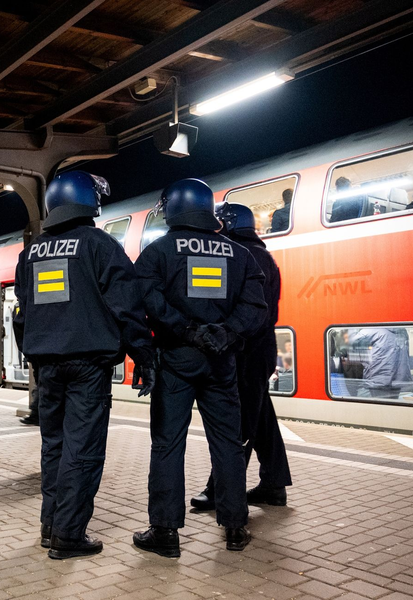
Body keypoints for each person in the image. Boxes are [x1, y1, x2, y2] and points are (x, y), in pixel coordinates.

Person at [13, 171, 155, 560]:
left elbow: (21, 315)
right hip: (88, 366)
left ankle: (50, 525)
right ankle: (68, 535)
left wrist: (34, 354)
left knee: (54, 446)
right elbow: (126, 307)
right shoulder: (99, 245)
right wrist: (143, 354)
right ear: (86, 200)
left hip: (47, 368)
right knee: (83, 450)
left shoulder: (31, 253)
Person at [133, 179, 267, 557]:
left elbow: (147, 301)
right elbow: (256, 308)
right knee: (226, 443)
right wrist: (226, 332)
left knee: (167, 445)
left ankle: (165, 533)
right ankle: (236, 527)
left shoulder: (157, 253)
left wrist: (186, 329)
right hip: (221, 363)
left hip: (176, 359)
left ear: (174, 208)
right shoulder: (239, 254)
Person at [191, 203, 291, 512]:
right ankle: (274, 484)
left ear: (226, 225)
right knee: (261, 418)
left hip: (245, 350)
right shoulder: (263, 255)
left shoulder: (239, 255)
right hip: (260, 348)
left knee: (238, 422)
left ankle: (219, 489)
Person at [349, 328, 412, 399]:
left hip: (378, 378)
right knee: (391, 406)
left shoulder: (372, 329)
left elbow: (352, 342)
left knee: (377, 407)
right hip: (398, 379)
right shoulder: (402, 331)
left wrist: (366, 362)